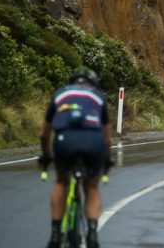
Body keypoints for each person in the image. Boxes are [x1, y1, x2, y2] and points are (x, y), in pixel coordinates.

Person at [38, 69, 113, 248]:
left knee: (61, 182)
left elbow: (44, 134)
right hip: (93, 141)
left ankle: (55, 234)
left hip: (65, 140)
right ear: (93, 84)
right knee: (92, 187)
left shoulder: (60, 94)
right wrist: (107, 160)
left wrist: (46, 156)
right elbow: (107, 138)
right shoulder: (98, 97)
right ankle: (93, 234)